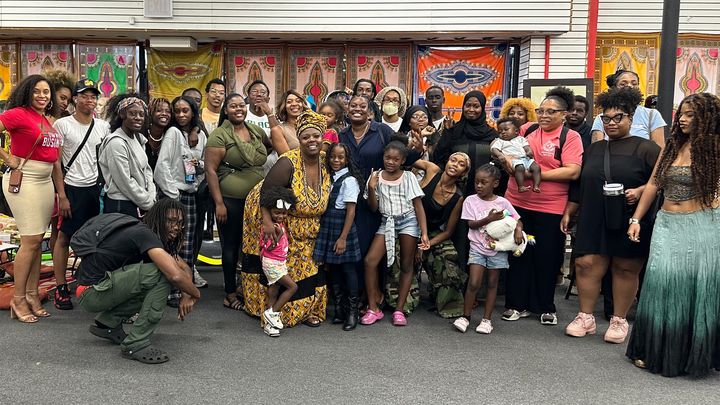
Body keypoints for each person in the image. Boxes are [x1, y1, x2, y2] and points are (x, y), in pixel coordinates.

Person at [626, 93, 720, 378]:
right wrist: (636, 219)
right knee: (660, 283)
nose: (682, 119)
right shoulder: (672, 145)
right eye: (682, 114)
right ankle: (655, 350)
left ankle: (687, 355)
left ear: (707, 119)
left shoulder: (715, 148)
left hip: (701, 225)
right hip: (666, 223)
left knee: (692, 287)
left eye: (690, 115)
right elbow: (653, 184)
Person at [561, 87, 660, 344]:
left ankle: (619, 319)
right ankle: (585, 316)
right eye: (606, 118)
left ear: (631, 118)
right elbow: (580, 183)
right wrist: (570, 210)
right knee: (585, 264)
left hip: (630, 216)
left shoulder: (647, 148)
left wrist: (639, 191)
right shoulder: (594, 149)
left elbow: (660, 181)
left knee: (625, 267)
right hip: (593, 214)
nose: (612, 123)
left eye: (618, 117)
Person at [74, 199, 201, 364]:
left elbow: (183, 267)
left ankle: (108, 323)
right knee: (161, 274)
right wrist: (196, 294)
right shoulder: (144, 235)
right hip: (91, 293)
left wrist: (186, 294)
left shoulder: (147, 233)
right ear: (159, 219)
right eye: (171, 221)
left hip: (94, 290)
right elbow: (175, 276)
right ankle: (136, 343)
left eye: (180, 223)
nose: (176, 227)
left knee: (157, 277)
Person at [241, 110, 331, 327]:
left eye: (316, 136)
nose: (311, 140)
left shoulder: (326, 160)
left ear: (322, 137)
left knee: (310, 267)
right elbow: (266, 194)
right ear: (299, 139)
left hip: (311, 226)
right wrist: (267, 222)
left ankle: (308, 310)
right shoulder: (287, 162)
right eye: (305, 137)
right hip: (281, 221)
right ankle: (275, 312)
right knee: (284, 270)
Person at [503, 87, 583, 325]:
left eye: (551, 112)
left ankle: (545, 306)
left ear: (564, 115)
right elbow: (506, 152)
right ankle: (516, 304)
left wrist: (536, 176)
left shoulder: (570, 137)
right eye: (541, 110)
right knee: (518, 253)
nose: (544, 115)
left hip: (550, 207)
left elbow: (573, 171)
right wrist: (510, 164)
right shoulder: (527, 130)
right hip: (517, 203)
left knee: (547, 257)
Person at [0, 74, 62, 323]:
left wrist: (61, 191)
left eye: (46, 92)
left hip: (45, 182)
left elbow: (54, 158)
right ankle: (18, 298)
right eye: (37, 91)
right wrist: (6, 157)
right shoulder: (18, 114)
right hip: (25, 179)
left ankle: (32, 294)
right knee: (31, 240)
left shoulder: (46, 119)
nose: (42, 96)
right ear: (27, 92)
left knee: (37, 240)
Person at [204, 93, 267, 310]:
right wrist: (219, 203)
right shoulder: (219, 136)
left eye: (242, 105)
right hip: (230, 201)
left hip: (256, 202)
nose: (238, 109)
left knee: (252, 246)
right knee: (231, 246)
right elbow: (210, 171)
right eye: (233, 106)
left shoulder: (255, 131)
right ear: (226, 110)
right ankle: (230, 293)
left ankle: (248, 288)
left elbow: (267, 148)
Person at [51, 78, 110, 310]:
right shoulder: (63, 125)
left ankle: (88, 281)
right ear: (75, 99)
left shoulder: (103, 126)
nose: (89, 100)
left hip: (96, 189)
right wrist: (62, 195)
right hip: (72, 188)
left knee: (94, 238)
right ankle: (60, 287)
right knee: (64, 237)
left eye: (93, 96)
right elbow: (56, 163)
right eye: (84, 96)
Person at [361, 141, 430, 326]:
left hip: (408, 220)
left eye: (395, 159)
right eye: (387, 158)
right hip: (387, 221)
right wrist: (371, 188)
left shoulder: (408, 176)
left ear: (403, 161)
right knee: (370, 261)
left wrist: (424, 233)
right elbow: (373, 208)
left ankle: (399, 310)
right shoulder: (375, 176)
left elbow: (418, 206)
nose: (390, 162)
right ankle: (373, 308)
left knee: (407, 265)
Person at [454, 164, 523, 334]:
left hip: (498, 250)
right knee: (474, 282)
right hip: (477, 248)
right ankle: (465, 316)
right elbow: (471, 224)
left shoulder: (503, 202)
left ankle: (486, 320)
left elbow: (517, 219)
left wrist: (518, 230)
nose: (479, 186)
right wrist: (489, 219)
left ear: (495, 183)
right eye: (476, 182)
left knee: (492, 284)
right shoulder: (470, 200)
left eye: (484, 182)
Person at [155, 95, 208, 303]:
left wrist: (198, 165)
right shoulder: (173, 133)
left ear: (193, 112)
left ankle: (185, 289)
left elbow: (206, 164)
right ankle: (170, 290)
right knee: (170, 243)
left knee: (187, 244)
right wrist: (173, 195)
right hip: (174, 195)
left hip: (191, 194)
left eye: (185, 110)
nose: (180, 115)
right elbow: (162, 167)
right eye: (176, 111)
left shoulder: (200, 135)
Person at [411, 152, 470, 318]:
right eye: (453, 160)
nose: (455, 164)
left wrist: (426, 245)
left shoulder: (458, 197)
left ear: (464, 172)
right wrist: (416, 148)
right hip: (409, 224)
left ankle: (447, 304)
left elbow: (448, 231)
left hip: (432, 233)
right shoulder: (432, 170)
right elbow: (407, 159)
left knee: (448, 258)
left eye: (461, 164)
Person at [312, 143, 363, 330]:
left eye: (341, 157)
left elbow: (351, 212)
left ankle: (352, 312)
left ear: (347, 160)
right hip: (328, 225)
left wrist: (343, 238)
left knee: (348, 269)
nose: (336, 160)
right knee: (333, 268)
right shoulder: (329, 177)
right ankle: (339, 310)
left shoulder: (349, 181)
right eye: (333, 156)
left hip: (342, 227)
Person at [99, 94, 155, 219]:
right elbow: (124, 181)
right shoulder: (116, 143)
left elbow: (147, 170)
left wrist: (151, 195)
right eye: (132, 113)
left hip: (139, 202)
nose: (138, 118)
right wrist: (147, 202)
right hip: (121, 204)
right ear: (122, 115)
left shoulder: (138, 139)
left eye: (141, 114)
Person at [433, 90, 499, 197]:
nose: (471, 109)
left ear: (482, 108)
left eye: (476, 106)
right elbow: (438, 157)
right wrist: (447, 132)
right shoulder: (454, 130)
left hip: (483, 191)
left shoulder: (491, 134)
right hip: (454, 192)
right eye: (468, 105)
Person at [258, 186, 299, 337]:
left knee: (274, 290)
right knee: (292, 287)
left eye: (284, 213)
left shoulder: (278, 224)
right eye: (277, 212)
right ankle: (272, 313)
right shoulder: (271, 227)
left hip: (278, 262)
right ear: (269, 211)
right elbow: (267, 247)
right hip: (272, 263)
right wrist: (279, 234)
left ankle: (269, 326)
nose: (281, 216)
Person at [591, 69, 666, 148]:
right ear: (614, 88)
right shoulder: (602, 118)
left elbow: (659, 148)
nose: (630, 86)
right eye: (623, 84)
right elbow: (597, 148)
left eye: (634, 84)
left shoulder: (652, 115)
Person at [491, 117, 541, 193]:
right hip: (514, 160)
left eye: (506, 129)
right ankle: (520, 186)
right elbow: (494, 149)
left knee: (536, 167)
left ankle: (536, 186)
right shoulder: (500, 141)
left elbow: (526, 147)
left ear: (516, 131)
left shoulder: (521, 139)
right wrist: (500, 155)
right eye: (500, 131)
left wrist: (529, 151)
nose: (503, 132)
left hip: (526, 158)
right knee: (520, 168)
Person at [268, 90, 306, 156]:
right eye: (289, 102)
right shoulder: (278, 130)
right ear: (284, 106)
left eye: (298, 101)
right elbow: (287, 158)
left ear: (303, 105)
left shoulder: (311, 126)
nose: (294, 104)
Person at [145, 97, 171, 171]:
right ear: (151, 113)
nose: (164, 114)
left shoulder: (170, 135)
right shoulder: (142, 134)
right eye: (159, 110)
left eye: (168, 111)